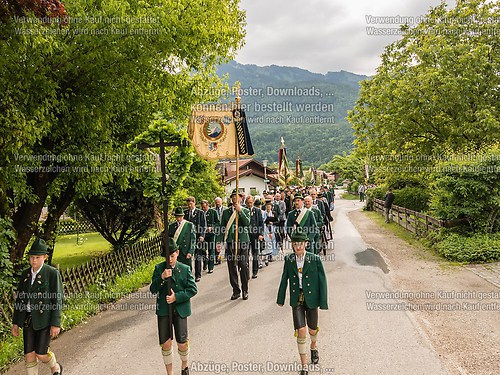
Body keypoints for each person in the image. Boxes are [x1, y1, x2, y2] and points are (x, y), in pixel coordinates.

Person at [277, 229, 328, 375]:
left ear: (306, 243)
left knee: (312, 329)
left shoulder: (315, 259)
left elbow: (322, 281)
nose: (298, 247)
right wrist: (280, 298)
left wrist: (323, 301)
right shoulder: (289, 260)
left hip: (312, 299)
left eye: (301, 244)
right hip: (296, 298)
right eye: (295, 244)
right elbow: (284, 279)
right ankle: (304, 365)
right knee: (301, 330)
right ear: (292, 245)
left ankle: (313, 346)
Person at [12, 238, 64, 375]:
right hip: (28, 319)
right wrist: (16, 322)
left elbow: (57, 300)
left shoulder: (52, 273)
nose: (34, 260)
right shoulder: (25, 274)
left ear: (45, 257)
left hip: (44, 320)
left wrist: (55, 323)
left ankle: (55, 367)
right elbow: (20, 300)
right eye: (31, 257)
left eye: (37, 257)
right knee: (29, 355)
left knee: (41, 354)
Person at [150, 238, 197, 375]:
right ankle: (169, 372)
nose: (169, 259)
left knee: (182, 342)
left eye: (172, 256)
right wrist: (162, 278)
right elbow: (153, 289)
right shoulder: (159, 269)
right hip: (164, 310)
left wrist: (177, 297)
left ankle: (184, 366)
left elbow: (193, 289)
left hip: (180, 310)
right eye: (166, 257)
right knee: (166, 343)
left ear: (177, 253)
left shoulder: (184, 268)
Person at [218, 189, 251, 300]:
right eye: (233, 196)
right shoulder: (226, 212)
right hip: (230, 242)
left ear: (242, 198)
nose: (235, 198)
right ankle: (236, 290)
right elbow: (222, 227)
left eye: (238, 196)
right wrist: (219, 242)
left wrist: (240, 211)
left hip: (242, 242)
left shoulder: (245, 210)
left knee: (243, 265)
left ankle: (245, 290)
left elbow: (247, 223)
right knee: (232, 268)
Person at [184, 197, 207, 282]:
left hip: (198, 237)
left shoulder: (200, 213)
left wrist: (202, 235)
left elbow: (203, 225)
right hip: (188, 238)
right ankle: (188, 275)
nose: (189, 205)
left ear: (194, 203)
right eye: (188, 204)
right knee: (188, 256)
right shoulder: (185, 213)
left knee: (198, 256)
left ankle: (198, 275)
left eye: (191, 204)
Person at [246, 195, 264, 279]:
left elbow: (261, 223)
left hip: (255, 236)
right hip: (246, 236)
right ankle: (245, 272)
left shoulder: (257, 211)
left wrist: (260, 234)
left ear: (253, 202)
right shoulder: (244, 210)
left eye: (251, 203)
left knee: (255, 254)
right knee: (245, 255)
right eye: (248, 203)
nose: (249, 204)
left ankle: (255, 271)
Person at [200, 200, 219, 274]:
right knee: (203, 250)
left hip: (211, 234)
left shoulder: (213, 212)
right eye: (202, 207)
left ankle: (211, 267)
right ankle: (205, 262)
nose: (203, 208)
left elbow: (217, 223)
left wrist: (212, 227)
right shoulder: (200, 213)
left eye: (204, 207)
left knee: (211, 250)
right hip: (203, 234)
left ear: (208, 205)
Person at [213, 197, 227, 265]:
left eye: (218, 202)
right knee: (217, 243)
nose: (217, 204)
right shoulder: (213, 210)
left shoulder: (226, 209)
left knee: (224, 243)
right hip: (217, 230)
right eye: (216, 203)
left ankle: (225, 256)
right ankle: (218, 258)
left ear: (221, 202)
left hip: (224, 228)